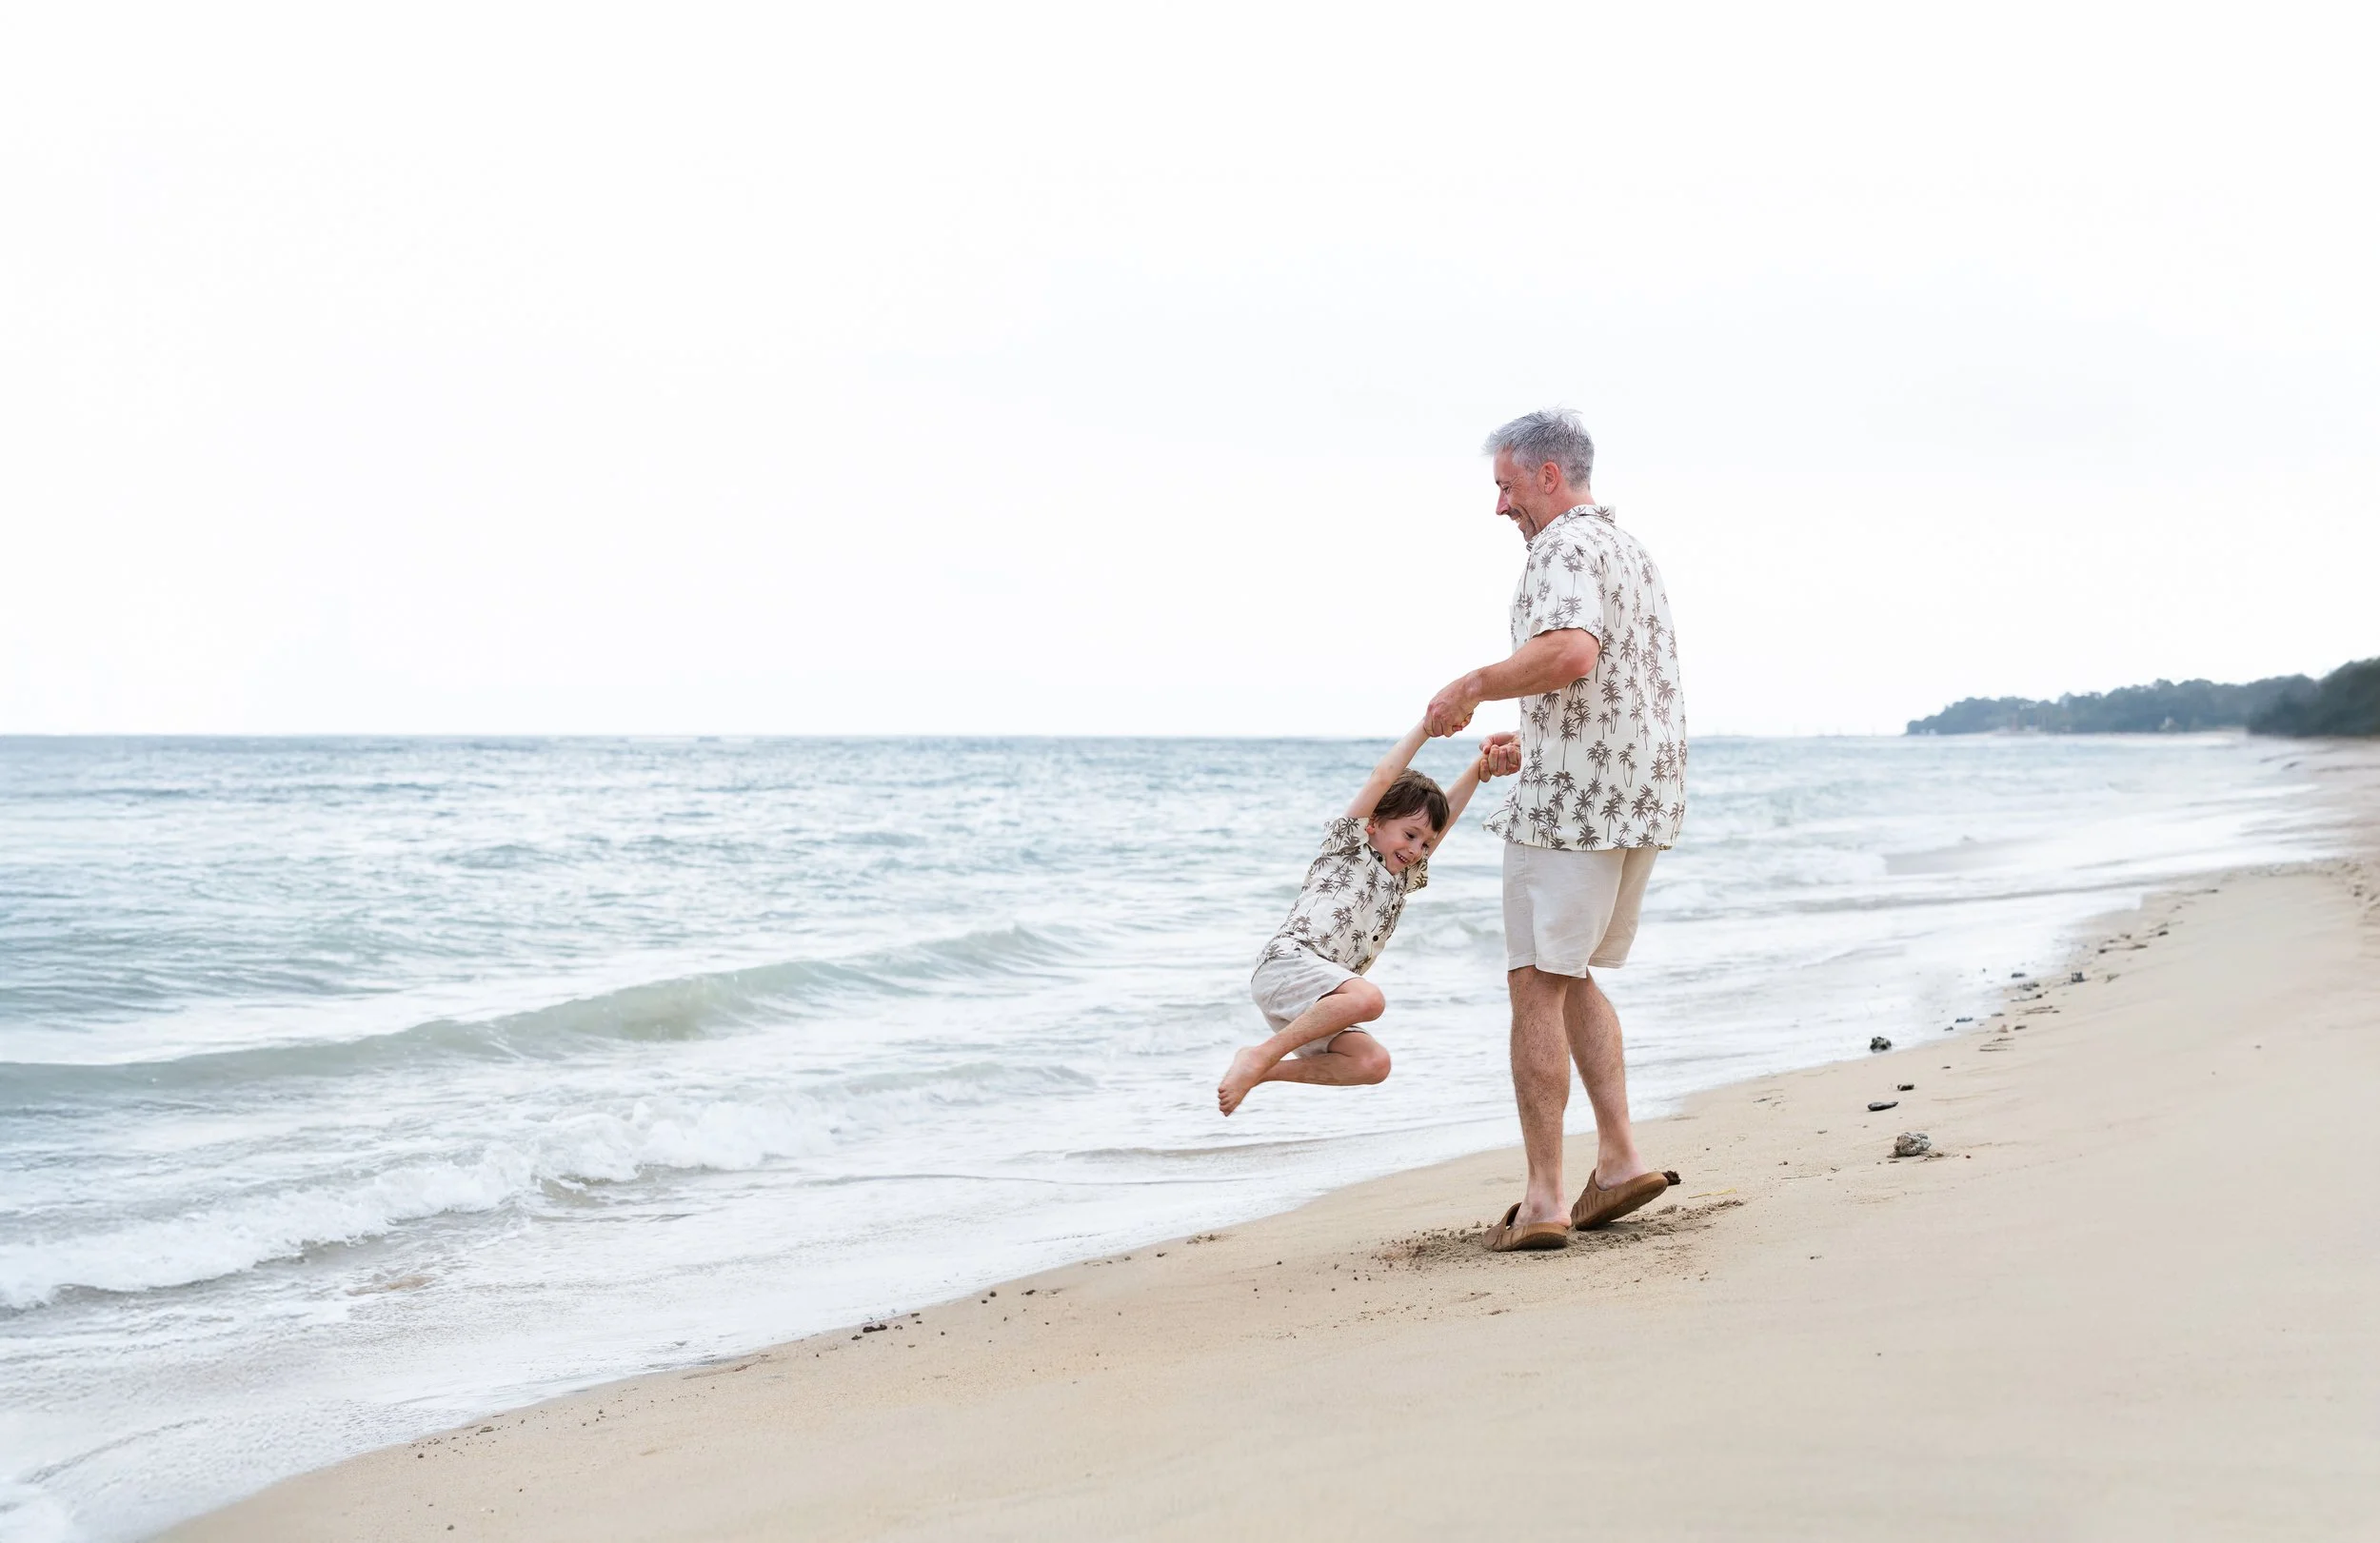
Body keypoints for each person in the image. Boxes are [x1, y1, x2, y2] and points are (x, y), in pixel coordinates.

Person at [1424, 408, 1688, 1252]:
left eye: (1506, 487)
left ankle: (1543, 1198)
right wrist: (1533, 736)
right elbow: (1607, 682)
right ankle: (1618, 1160)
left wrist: (1476, 683)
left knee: (1536, 982)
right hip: (1638, 796)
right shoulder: (1628, 550)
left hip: (1575, 805)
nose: (1501, 507)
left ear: (1547, 475)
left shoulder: (1563, 548)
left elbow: (1572, 652)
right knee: (1569, 975)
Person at [1217, 722, 1516, 1116]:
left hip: (1320, 999)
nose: (1417, 849)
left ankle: (1260, 1068)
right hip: (1288, 967)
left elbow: (1444, 821)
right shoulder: (1347, 846)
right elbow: (1383, 777)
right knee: (1368, 999)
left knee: (1372, 1064)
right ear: (1373, 823)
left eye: (1425, 844)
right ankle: (1261, 1054)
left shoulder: (1401, 877)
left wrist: (1479, 771)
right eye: (1409, 835)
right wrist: (1426, 730)